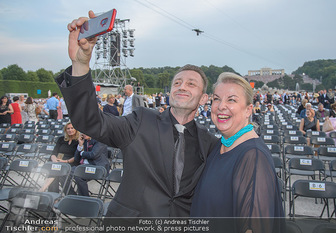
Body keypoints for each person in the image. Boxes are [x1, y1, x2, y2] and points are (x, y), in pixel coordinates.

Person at [55, 10, 218, 218]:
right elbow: (90, 122)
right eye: (177, 83)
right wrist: (80, 64)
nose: (181, 87)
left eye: (191, 84)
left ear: (204, 98)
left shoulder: (210, 143)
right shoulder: (141, 120)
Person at [190, 72, 285, 233]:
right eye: (217, 99)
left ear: (248, 110)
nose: (221, 106)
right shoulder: (219, 146)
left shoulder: (253, 157)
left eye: (231, 100)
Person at [40, 122, 80, 193]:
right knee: (55, 168)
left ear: (76, 130)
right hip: (58, 160)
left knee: (55, 170)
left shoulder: (78, 141)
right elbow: (54, 152)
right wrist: (54, 160)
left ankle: (45, 190)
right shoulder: (61, 139)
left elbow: (77, 157)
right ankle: (53, 194)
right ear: (65, 130)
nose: (70, 130)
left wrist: (65, 161)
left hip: (70, 162)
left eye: (72, 128)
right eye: (68, 128)